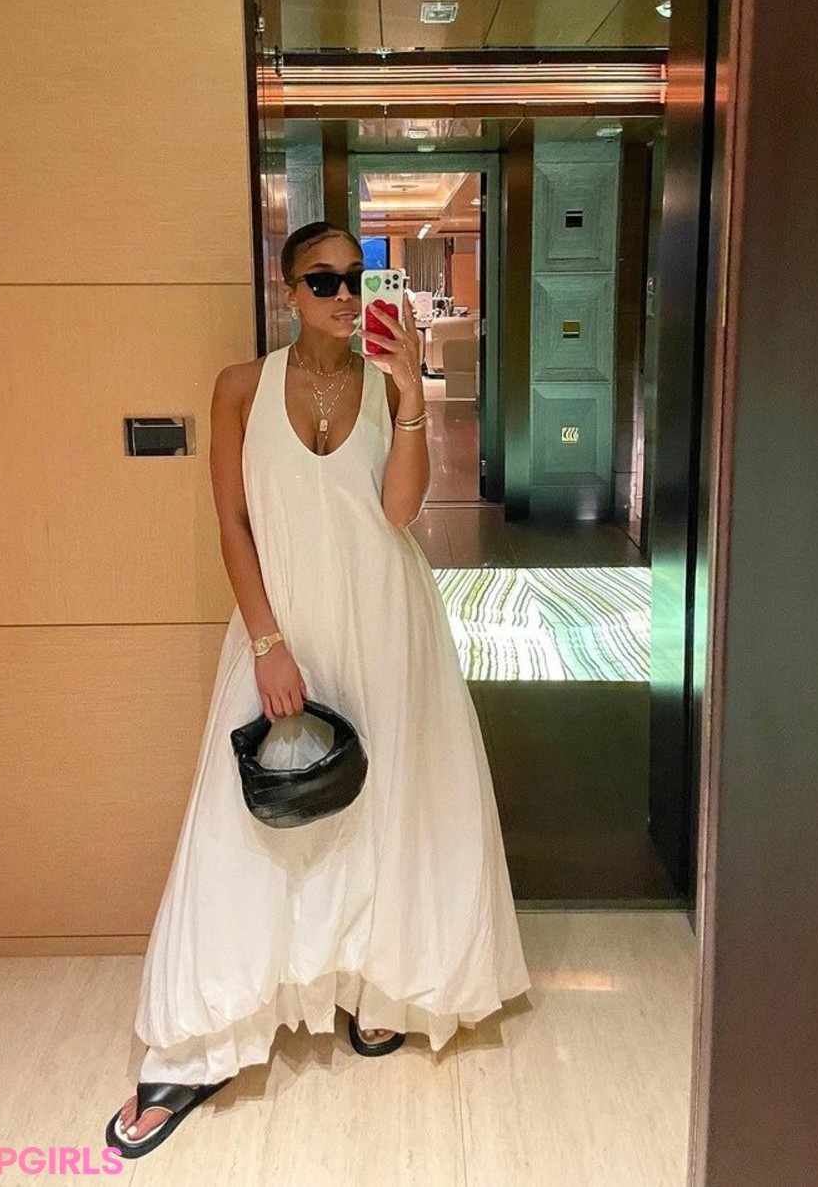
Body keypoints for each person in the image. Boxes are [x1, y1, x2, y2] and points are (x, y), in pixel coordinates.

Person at [105, 221, 531, 1158]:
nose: (344, 295)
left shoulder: (385, 380)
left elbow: (399, 512)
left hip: (387, 621)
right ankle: (199, 1039)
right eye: (323, 280)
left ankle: (381, 983)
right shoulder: (240, 388)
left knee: (392, 808)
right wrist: (267, 642)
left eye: (356, 277)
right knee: (251, 820)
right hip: (284, 626)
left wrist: (411, 395)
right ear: (288, 290)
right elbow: (232, 524)